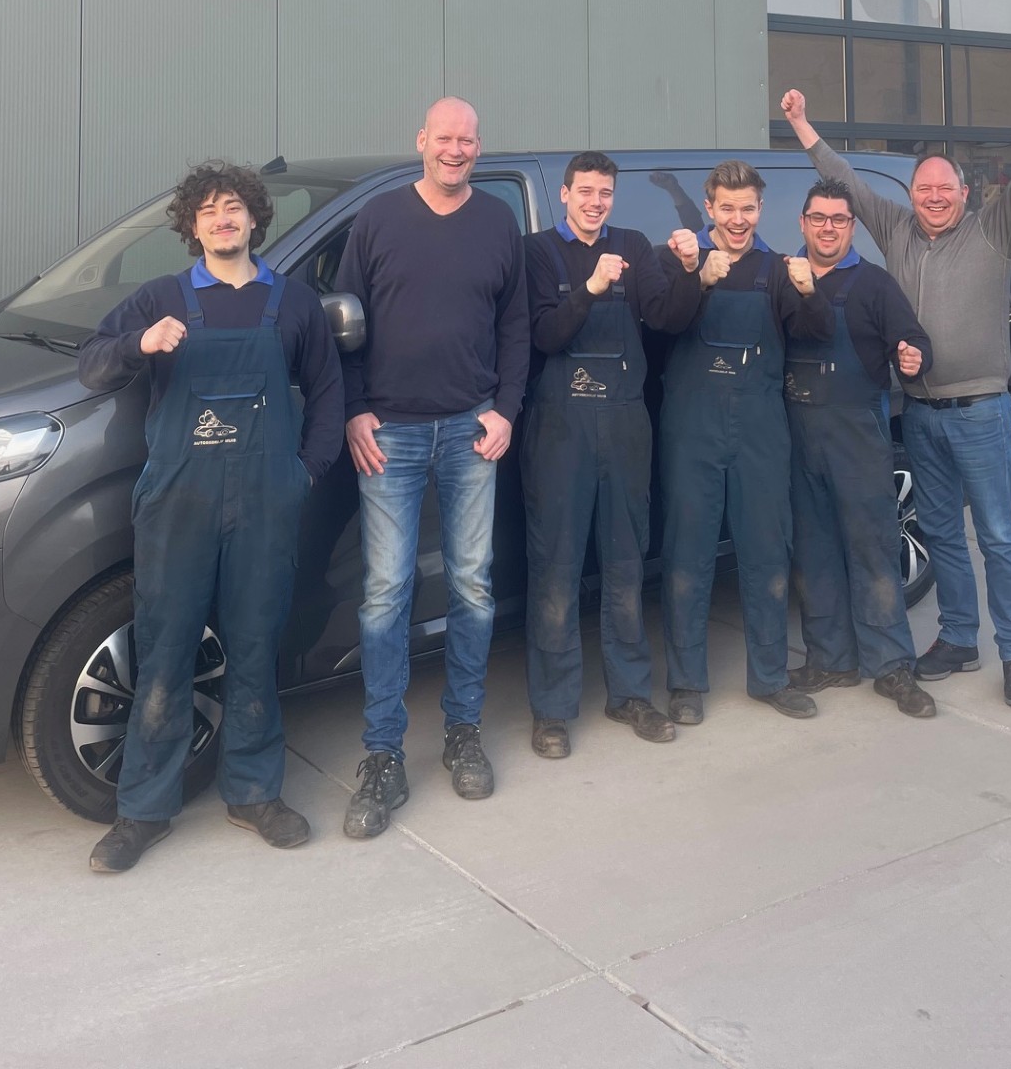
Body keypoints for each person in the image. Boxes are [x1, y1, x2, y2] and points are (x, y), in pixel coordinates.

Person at [79, 161, 344, 873]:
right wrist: (140, 344)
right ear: (190, 227)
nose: (223, 220)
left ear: (256, 218)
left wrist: (304, 474)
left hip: (264, 501)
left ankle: (255, 793)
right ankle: (143, 810)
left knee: (255, 647)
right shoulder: (160, 299)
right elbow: (92, 367)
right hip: (179, 504)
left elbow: (327, 396)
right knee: (165, 652)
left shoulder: (291, 305)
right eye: (209, 211)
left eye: (235, 209)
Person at [780, 77, 1011, 709]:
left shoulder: (993, 229)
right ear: (911, 195)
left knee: (996, 535)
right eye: (924, 188)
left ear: (965, 193)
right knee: (939, 532)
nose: (933, 197)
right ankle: (959, 637)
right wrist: (801, 123)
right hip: (922, 414)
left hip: (981, 410)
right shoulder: (897, 229)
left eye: (945, 188)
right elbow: (844, 183)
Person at [335, 98, 528, 837]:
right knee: (386, 593)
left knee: (472, 586)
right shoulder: (379, 220)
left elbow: (515, 326)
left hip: (471, 432)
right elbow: (345, 322)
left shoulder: (497, 223)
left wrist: (505, 406)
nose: (456, 150)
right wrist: (355, 409)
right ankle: (382, 754)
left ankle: (463, 732)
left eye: (467, 141)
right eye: (444, 138)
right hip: (393, 436)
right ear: (422, 141)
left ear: (479, 147)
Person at [523, 152, 702, 757]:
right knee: (557, 569)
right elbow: (544, 335)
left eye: (605, 193)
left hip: (625, 425)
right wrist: (593, 288)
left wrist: (686, 271)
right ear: (565, 195)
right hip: (561, 431)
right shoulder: (539, 252)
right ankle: (551, 710)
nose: (595, 202)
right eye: (585, 192)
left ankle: (629, 694)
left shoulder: (633, 244)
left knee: (626, 567)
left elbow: (669, 318)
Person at [659, 160, 835, 726]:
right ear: (709, 207)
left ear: (761, 209)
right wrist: (696, 277)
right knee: (688, 555)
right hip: (692, 426)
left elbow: (816, 335)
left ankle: (770, 677)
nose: (739, 219)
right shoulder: (679, 261)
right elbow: (661, 325)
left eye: (749, 208)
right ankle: (686, 683)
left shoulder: (779, 269)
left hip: (760, 426)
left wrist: (811, 296)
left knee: (766, 552)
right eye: (728, 208)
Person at [784, 180, 936, 719]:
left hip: (856, 435)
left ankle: (892, 664)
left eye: (839, 220)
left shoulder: (873, 284)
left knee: (873, 550)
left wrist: (914, 357)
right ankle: (831, 659)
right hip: (796, 433)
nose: (828, 227)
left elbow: (914, 339)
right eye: (819, 218)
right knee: (814, 551)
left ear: (852, 226)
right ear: (802, 222)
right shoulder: (782, 278)